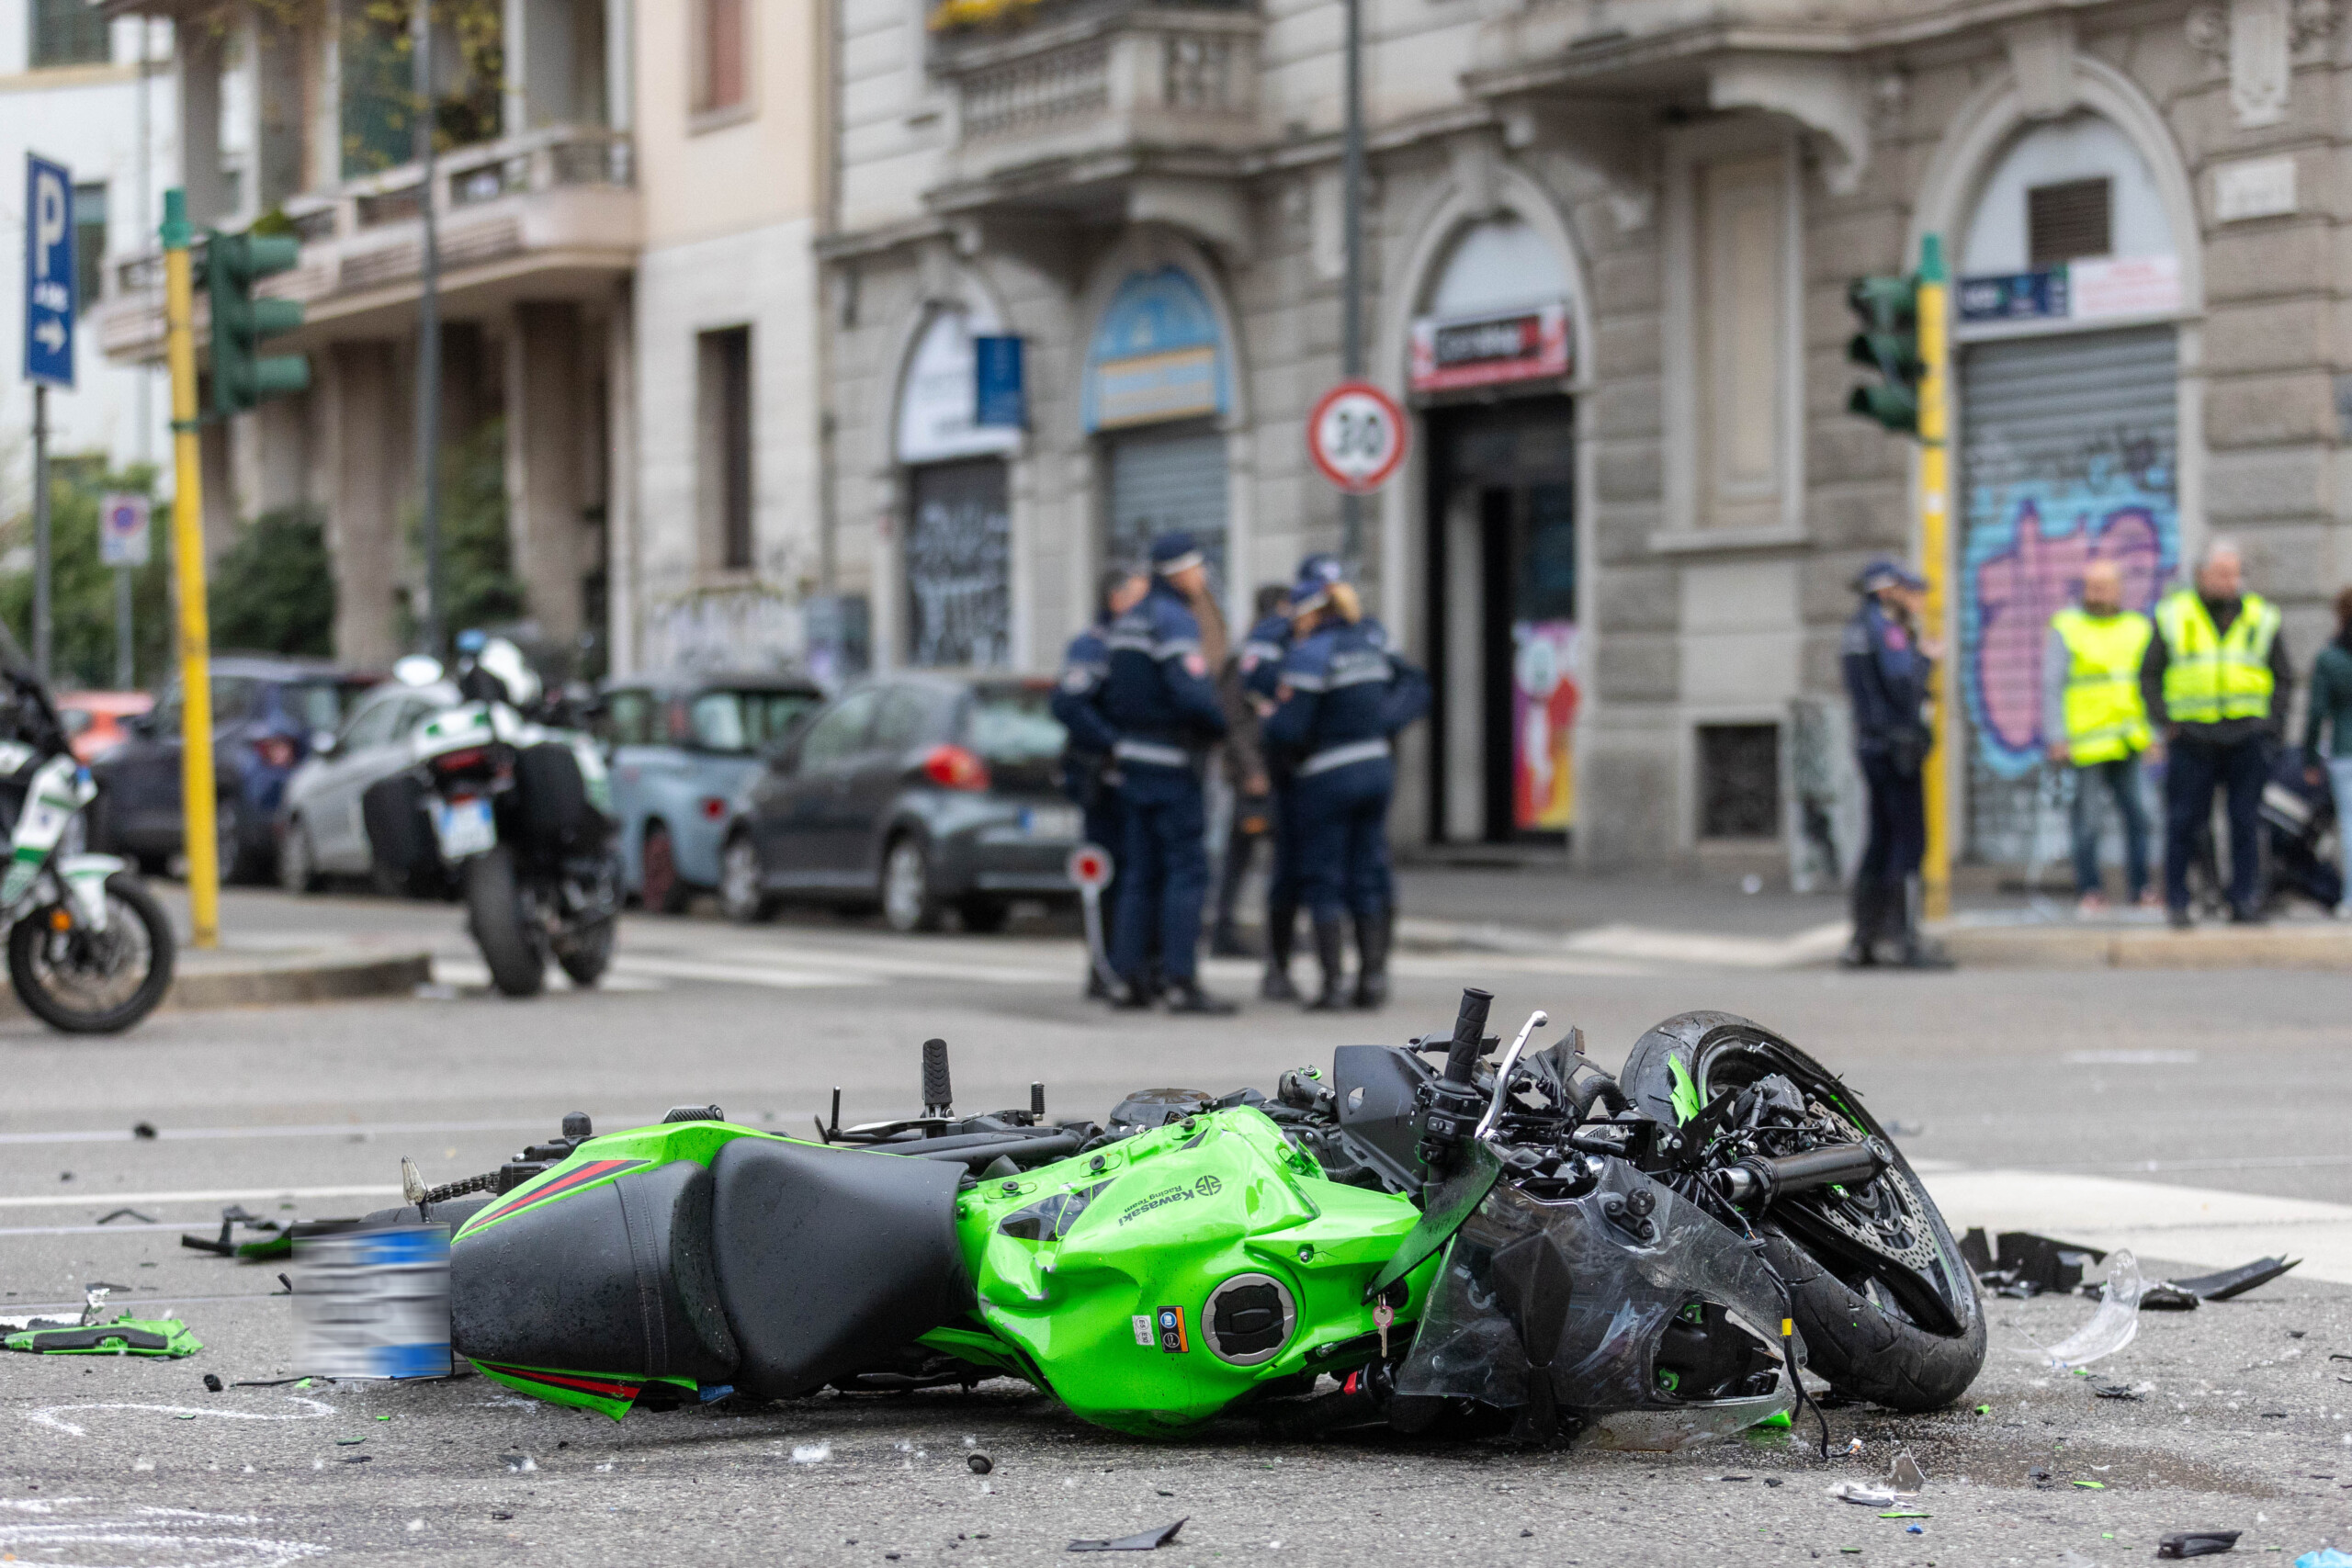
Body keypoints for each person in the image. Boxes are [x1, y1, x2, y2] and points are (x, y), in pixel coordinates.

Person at [1263, 564, 1429, 1009]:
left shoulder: (1312, 653)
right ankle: (1372, 981)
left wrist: (1271, 721)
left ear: (1311, 613)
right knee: (1369, 873)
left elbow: (1290, 728)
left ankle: (1333, 985)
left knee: (1324, 878)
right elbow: (1411, 687)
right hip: (1376, 769)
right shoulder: (1367, 645)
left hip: (1327, 776)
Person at [1095, 532, 1234, 1013]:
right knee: (1186, 872)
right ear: (1180, 570)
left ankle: (1132, 978)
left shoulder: (1130, 619)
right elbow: (1192, 691)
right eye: (1198, 569)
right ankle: (1180, 980)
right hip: (1173, 764)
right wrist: (1221, 726)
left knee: (1139, 874)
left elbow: (1114, 692)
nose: (1202, 578)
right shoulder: (1174, 619)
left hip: (1134, 763)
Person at [2143, 540, 2292, 927]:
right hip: (2192, 738)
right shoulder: (2175, 615)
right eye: (2222, 573)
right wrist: (2166, 722)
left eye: (2235, 573)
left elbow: (2283, 676)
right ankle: (2178, 902)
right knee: (2184, 822)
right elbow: (2149, 674)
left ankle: (2243, 901)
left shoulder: (2261, 616)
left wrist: (2272, 726)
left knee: (2245, 823)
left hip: (2246, 737)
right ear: (2202, 575)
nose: (2231, 581)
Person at [1839, 558, 1946, 968]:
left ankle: (1864, 940)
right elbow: (1903, 685)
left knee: (1880, 842)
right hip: (1896, 748)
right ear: (1887, 592)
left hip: (1873, 746)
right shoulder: (1886, 630)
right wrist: (1926, 659)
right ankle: (1903, 942)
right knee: (1907, 842)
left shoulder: (1856, 628)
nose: (1918, 601)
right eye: (1910, 592)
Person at [1053, 565, 1148, 997]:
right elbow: (1070, 705)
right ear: (1115, 598)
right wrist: (1115, 743)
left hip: (1136, 777)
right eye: (1138, 593)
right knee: (1105, 874)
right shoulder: (1094, 645)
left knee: (1137, 872)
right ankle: (1102, 967)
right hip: (1102, 778)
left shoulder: (1143, 640)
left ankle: (1133, 966)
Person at [2042, 558, 2156, 915]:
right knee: (2087, 823)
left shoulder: (2138, 627)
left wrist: (2153, 734)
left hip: (2128, 740)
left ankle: (2142, 888)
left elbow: (2149, 684)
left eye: (2105, 586)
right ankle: (2089, 890)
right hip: (2085, 743)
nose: (2099, 593)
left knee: (2141, 817)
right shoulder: (2068, 625)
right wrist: (2056, 735)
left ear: (2120, 589)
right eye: (2093, 586)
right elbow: (2052, 683)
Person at [1210, 583, 1290, 959]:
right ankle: (1223, 932)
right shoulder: (1249, 657)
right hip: (1252, 778)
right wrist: (1253, 770)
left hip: (1268, 771)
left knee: (1265, 858)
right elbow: (1235, 722)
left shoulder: (1272, 652)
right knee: (1240, 858)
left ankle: (1274, 936)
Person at [2301, 584, 2352, 914]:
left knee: (2349, 825)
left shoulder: (2330, 658)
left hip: (2345, 750)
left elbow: (2317, 712)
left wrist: (2309, 757)